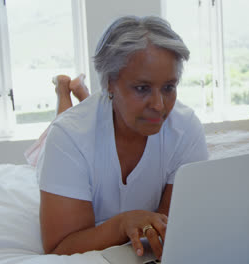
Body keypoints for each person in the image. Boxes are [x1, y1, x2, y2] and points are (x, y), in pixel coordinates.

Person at [36, 16, 209, 260]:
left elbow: (170, 228)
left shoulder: (185, 127)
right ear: (108, 82)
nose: (159, 106)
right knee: (64, 118)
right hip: (74, 130)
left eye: (169, 87)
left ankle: (81, 90)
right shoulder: (68, 136)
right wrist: (121, 224)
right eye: (142, 88)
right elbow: (60, 247)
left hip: (107, 111)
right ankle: (63, 90)